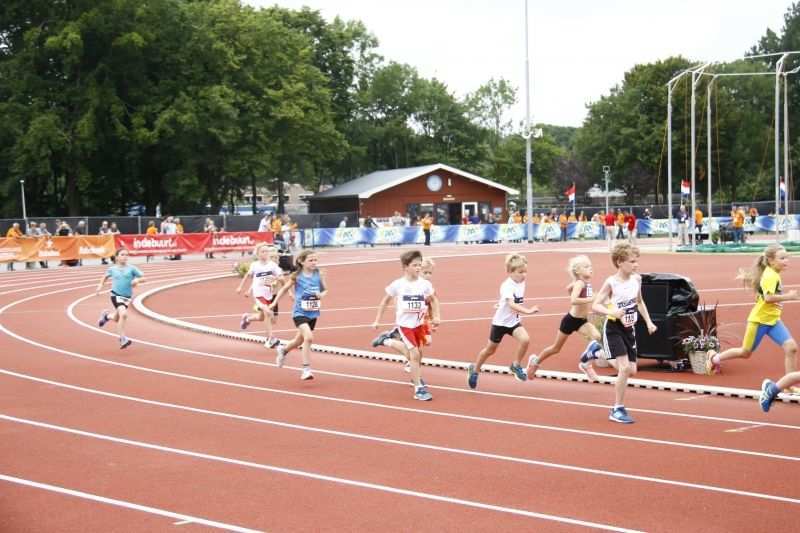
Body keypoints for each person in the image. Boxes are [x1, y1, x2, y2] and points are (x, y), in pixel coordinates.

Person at [705, 244, 798, 378]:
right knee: (745, 353)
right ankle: (714, 358)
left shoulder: (773, 273)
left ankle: (789, 385)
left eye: (787, 258)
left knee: (791, 348)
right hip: (759, 321)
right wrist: (789, 296)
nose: (786, 261)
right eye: (782, 258)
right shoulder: (771, 275)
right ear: (771, 261)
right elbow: (768, 298)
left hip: (773, 320)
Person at [591, 242, 657, 424]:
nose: (636, 265)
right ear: (620, 262)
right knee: (625, 368)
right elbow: (595, 305)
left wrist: (649, 322)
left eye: (637, 261)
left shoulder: (637, 279)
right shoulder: (611, 282)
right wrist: (611, 312)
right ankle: (617, 408)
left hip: (630, 329)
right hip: (613, 328)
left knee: (632, 370)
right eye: (632, 261)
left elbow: (640, 302)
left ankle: (596, 352)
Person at [371, 250, 439, 400]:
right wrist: (377, 319)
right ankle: (418, 389)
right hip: (405, 325)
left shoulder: (425, 284)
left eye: (419, 265)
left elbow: (433, 300)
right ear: (405, 267)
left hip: (419, 325)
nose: (418, 268)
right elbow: (385, 301)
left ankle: (386, 340)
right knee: (414, 355)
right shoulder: (398, 284)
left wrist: (437, 317)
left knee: (417, 356)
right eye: (415, 265)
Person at [526, 255, 607, 381]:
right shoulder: (580, 283)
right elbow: (573, 300)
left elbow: (568, 289)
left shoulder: (584, 283)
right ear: (578, 271)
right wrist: (591, 298)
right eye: (586, 267)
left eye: (590, 266)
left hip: (582, 321)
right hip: (570, 320)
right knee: (555, 348)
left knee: (597, 337)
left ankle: (585, 364)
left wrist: (574, 288)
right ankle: (535, 361)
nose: (590, 269)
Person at [466, 254, 539, 390]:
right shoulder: (506, 286)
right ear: (510, 272)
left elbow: (510, 301)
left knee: (525, 340)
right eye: (520, 272)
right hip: (500, 324)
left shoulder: (521, 282)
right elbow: (511, 304)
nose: (524, 275)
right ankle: (474, 369)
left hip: (513, 322)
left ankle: (515, 365)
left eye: (525, 271)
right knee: (490, 350)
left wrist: (500, 303)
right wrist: (528, 311)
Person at [270, 250, 328, 380]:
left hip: (313, 312)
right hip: (299, 312)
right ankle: (306, 369)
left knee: (298, 340)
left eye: (315, 260)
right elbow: (284, 289)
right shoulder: (297, 276)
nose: (314, 263)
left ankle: (283, 350)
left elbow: (325, 290)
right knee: (309, 337)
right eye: (311, 260)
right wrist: (274, 303)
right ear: (302, 261)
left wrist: (321, 295)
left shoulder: (318, 274)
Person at [95, 249, 144, 349]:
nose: (125, 257)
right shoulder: (112, 269)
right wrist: (100, 285)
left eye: (126, 255)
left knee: (117, 318)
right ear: (117, 257)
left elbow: (144, 278)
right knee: (124, 315)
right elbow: (104, 277)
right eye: (122, 255)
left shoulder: (132, 268)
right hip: (115, 295)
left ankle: (107, 316)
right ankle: (122, 339)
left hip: (127, 297)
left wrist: (137, 280)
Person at [237, 244, 283, 349]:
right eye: (263, 251)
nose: (266, 253)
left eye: (267, 251)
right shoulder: (255, 265)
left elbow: (281, 278)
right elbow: (251, 278)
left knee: (263, 317)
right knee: (267, 313)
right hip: (258, 295)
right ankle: (270, 339)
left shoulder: (273, 266)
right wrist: (241, 288)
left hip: (270, 296)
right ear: (257, 254)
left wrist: (281, 281)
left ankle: (247, 319)